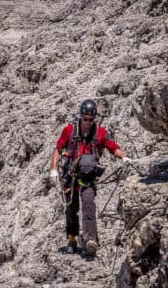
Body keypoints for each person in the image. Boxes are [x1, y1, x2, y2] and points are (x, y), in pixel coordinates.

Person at [49, 99, 129, 256]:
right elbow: (58, 149)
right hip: (70, 176)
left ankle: (90, 240)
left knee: (88, 205)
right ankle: (72, 239)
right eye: (85, 119)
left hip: (88, 178)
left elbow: (112, 147)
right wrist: (53, 169)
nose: (87, 122)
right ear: (80, 117)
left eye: (91, 120)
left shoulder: (100, 133)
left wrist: (124, 157)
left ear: (94, 119)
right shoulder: (69, 130)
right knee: (71, 209)